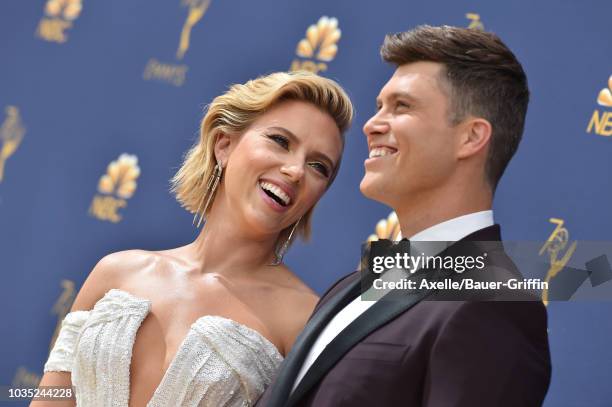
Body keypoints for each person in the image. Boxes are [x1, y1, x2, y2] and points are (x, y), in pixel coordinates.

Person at [257, 25, 552, 406]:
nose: (371, 124)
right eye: (380, 106)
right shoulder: (350, 286)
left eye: (402, 107)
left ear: (471, 137)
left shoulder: (495, 305)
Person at [32, 71, 354, 407]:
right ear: (224, 145)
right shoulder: (116, 272)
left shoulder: (304, 319)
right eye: (280, 141)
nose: (296, 170)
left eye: (318, 166)